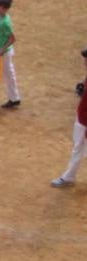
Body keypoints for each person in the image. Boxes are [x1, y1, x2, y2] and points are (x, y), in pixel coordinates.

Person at [51, 47, 87, 186]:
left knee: (79, 148)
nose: (84, 61)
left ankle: (68, 177)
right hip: (81, 118)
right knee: (78, 148)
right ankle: (69, 176)